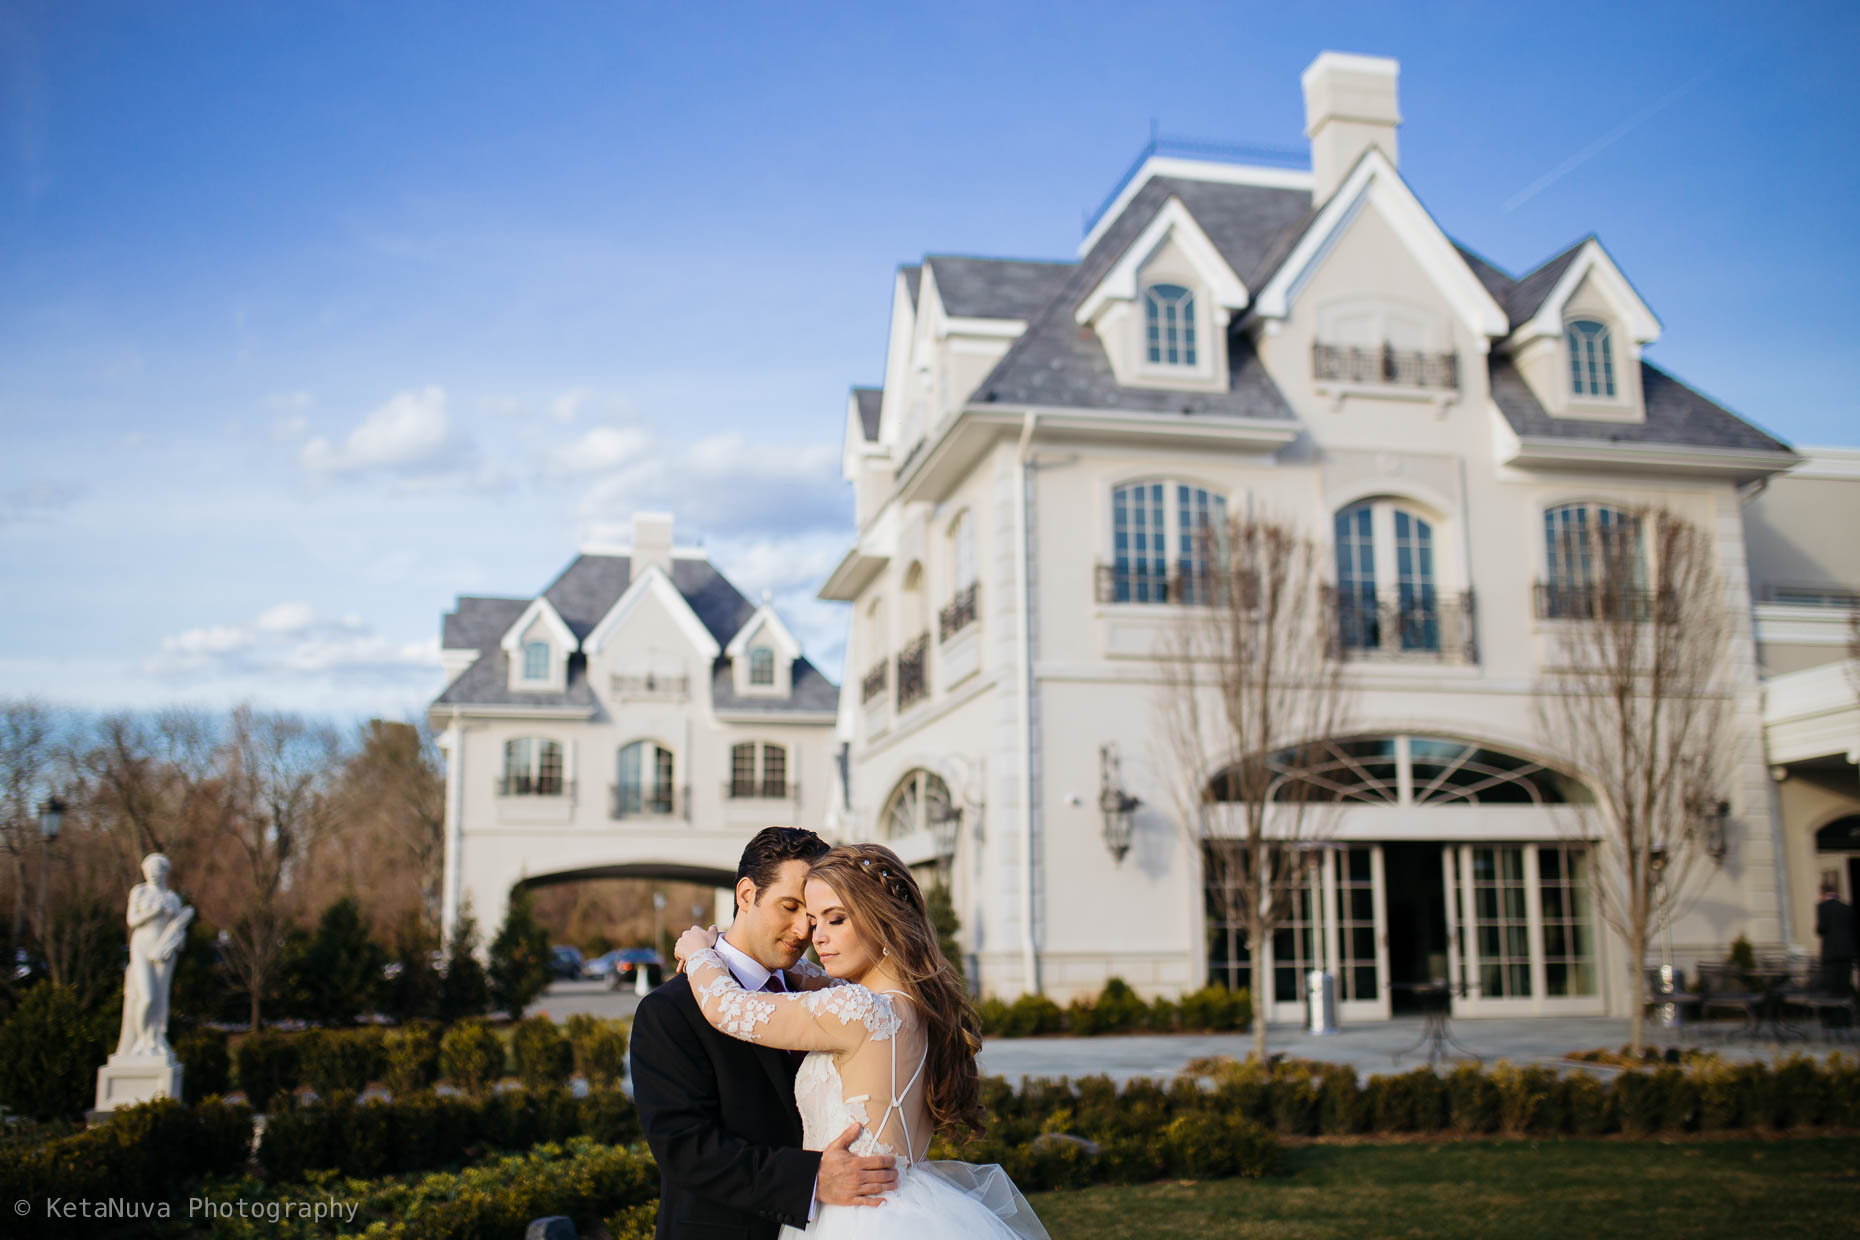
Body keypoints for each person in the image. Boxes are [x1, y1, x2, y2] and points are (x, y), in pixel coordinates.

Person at [674, 843, 1048, 1240]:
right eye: (814, 921)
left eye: (835, 920)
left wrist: (699, 951)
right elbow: (814, 978)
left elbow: (727, 1007)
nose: (816, 937)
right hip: (911, 1207)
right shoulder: (916, 1004)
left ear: (881, 920)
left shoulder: (855, 1009)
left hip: (854, 1218)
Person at [631, 827, 900, 1240]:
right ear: (745, 895)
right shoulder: (669, 1010)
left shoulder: (827, 996)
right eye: (789, 907)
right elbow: (685, 1149)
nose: (802, 931)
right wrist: (810, 1180)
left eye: (811, 916)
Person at [116, 852, 193, 1059]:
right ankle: (139, 1042)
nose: (154, 874)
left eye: (158, 870)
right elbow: (132, 921)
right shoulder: (139, 893)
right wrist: (154, 912)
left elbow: (179, 929)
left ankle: (155, 1039)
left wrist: (176, 941)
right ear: (145, 871)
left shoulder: (172, 898)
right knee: (146, 996)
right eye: (150, 870)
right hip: (142, 946)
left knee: (160, 998)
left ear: (165, 872)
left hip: (164, 951)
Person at [1815, 879, 1855, 998]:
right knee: (1844, 984)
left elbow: (1822, 928)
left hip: (1831, 953)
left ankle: (1834, 1014)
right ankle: (1846, 1013)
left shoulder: (1822, 906)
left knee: (1832, 987)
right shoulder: (1846, 907)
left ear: (1822, 893)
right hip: (1847, 952)